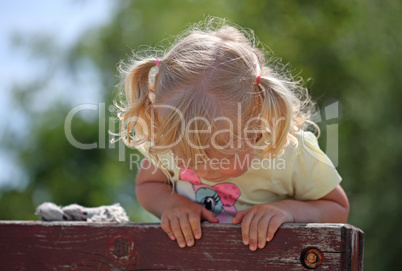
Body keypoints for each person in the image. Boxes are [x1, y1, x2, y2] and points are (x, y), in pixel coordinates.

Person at [115, 18, 349, 251]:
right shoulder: (171, 138)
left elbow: (336, 206)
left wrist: (288, 211)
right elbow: (147, 184)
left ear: (255, 128)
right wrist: (172, 204)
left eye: (217, 160)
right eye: (186, 160)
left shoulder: (290, 150)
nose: (199, 171)